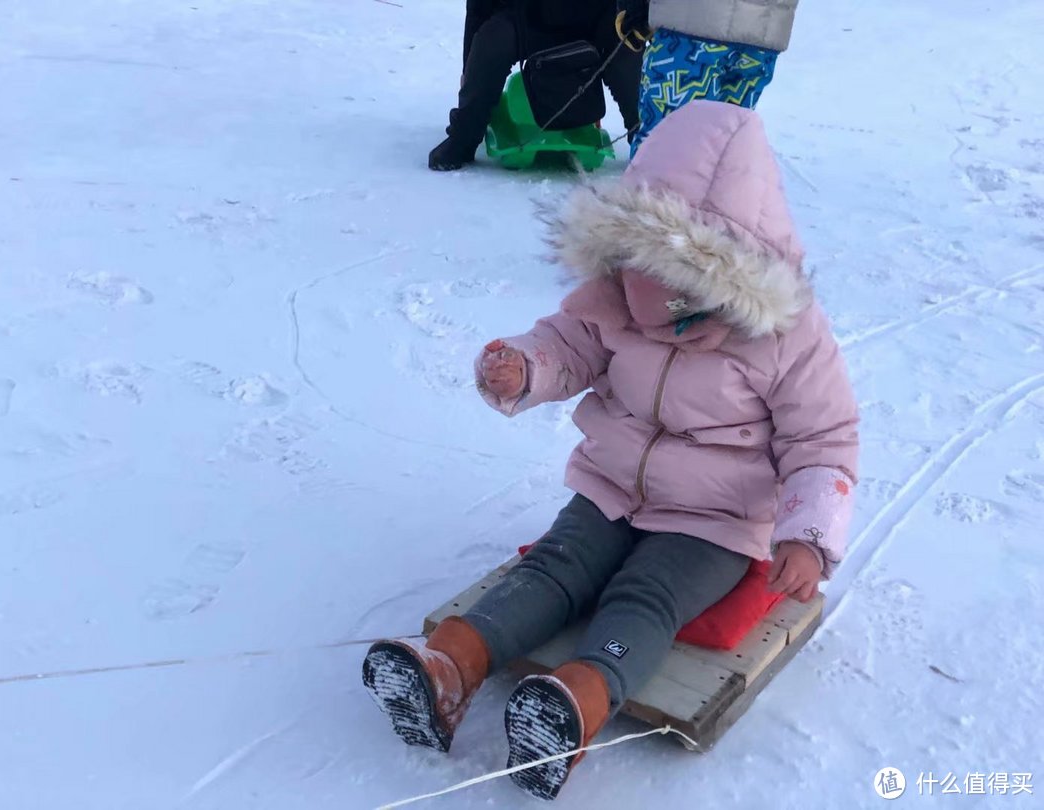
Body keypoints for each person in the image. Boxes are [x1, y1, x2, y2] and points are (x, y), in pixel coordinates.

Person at [365, 100, 859, 800]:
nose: (641, 302)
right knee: (553, 571)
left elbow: (824, 439)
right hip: (611, 485)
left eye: (670, 287)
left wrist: (808, 535)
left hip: (714, 522)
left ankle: (575, 705)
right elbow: (571, 344)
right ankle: (449, 665)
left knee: (645, 597)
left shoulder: (788, 337)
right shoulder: (618, 295)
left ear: (723, 278)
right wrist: (527, 365)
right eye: (630, 268)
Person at [429, 0, 643, 171]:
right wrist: (467, 67)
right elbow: (479, 8)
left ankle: (645, 140)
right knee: (492, 43)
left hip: (597, 15)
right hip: (527, 16)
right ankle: (464, 138)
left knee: (626, 49)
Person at [615, 0, 799, 156]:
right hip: (764, 31)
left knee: (667, 148)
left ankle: (653, 194)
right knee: (723, 151)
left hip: (692, 25)